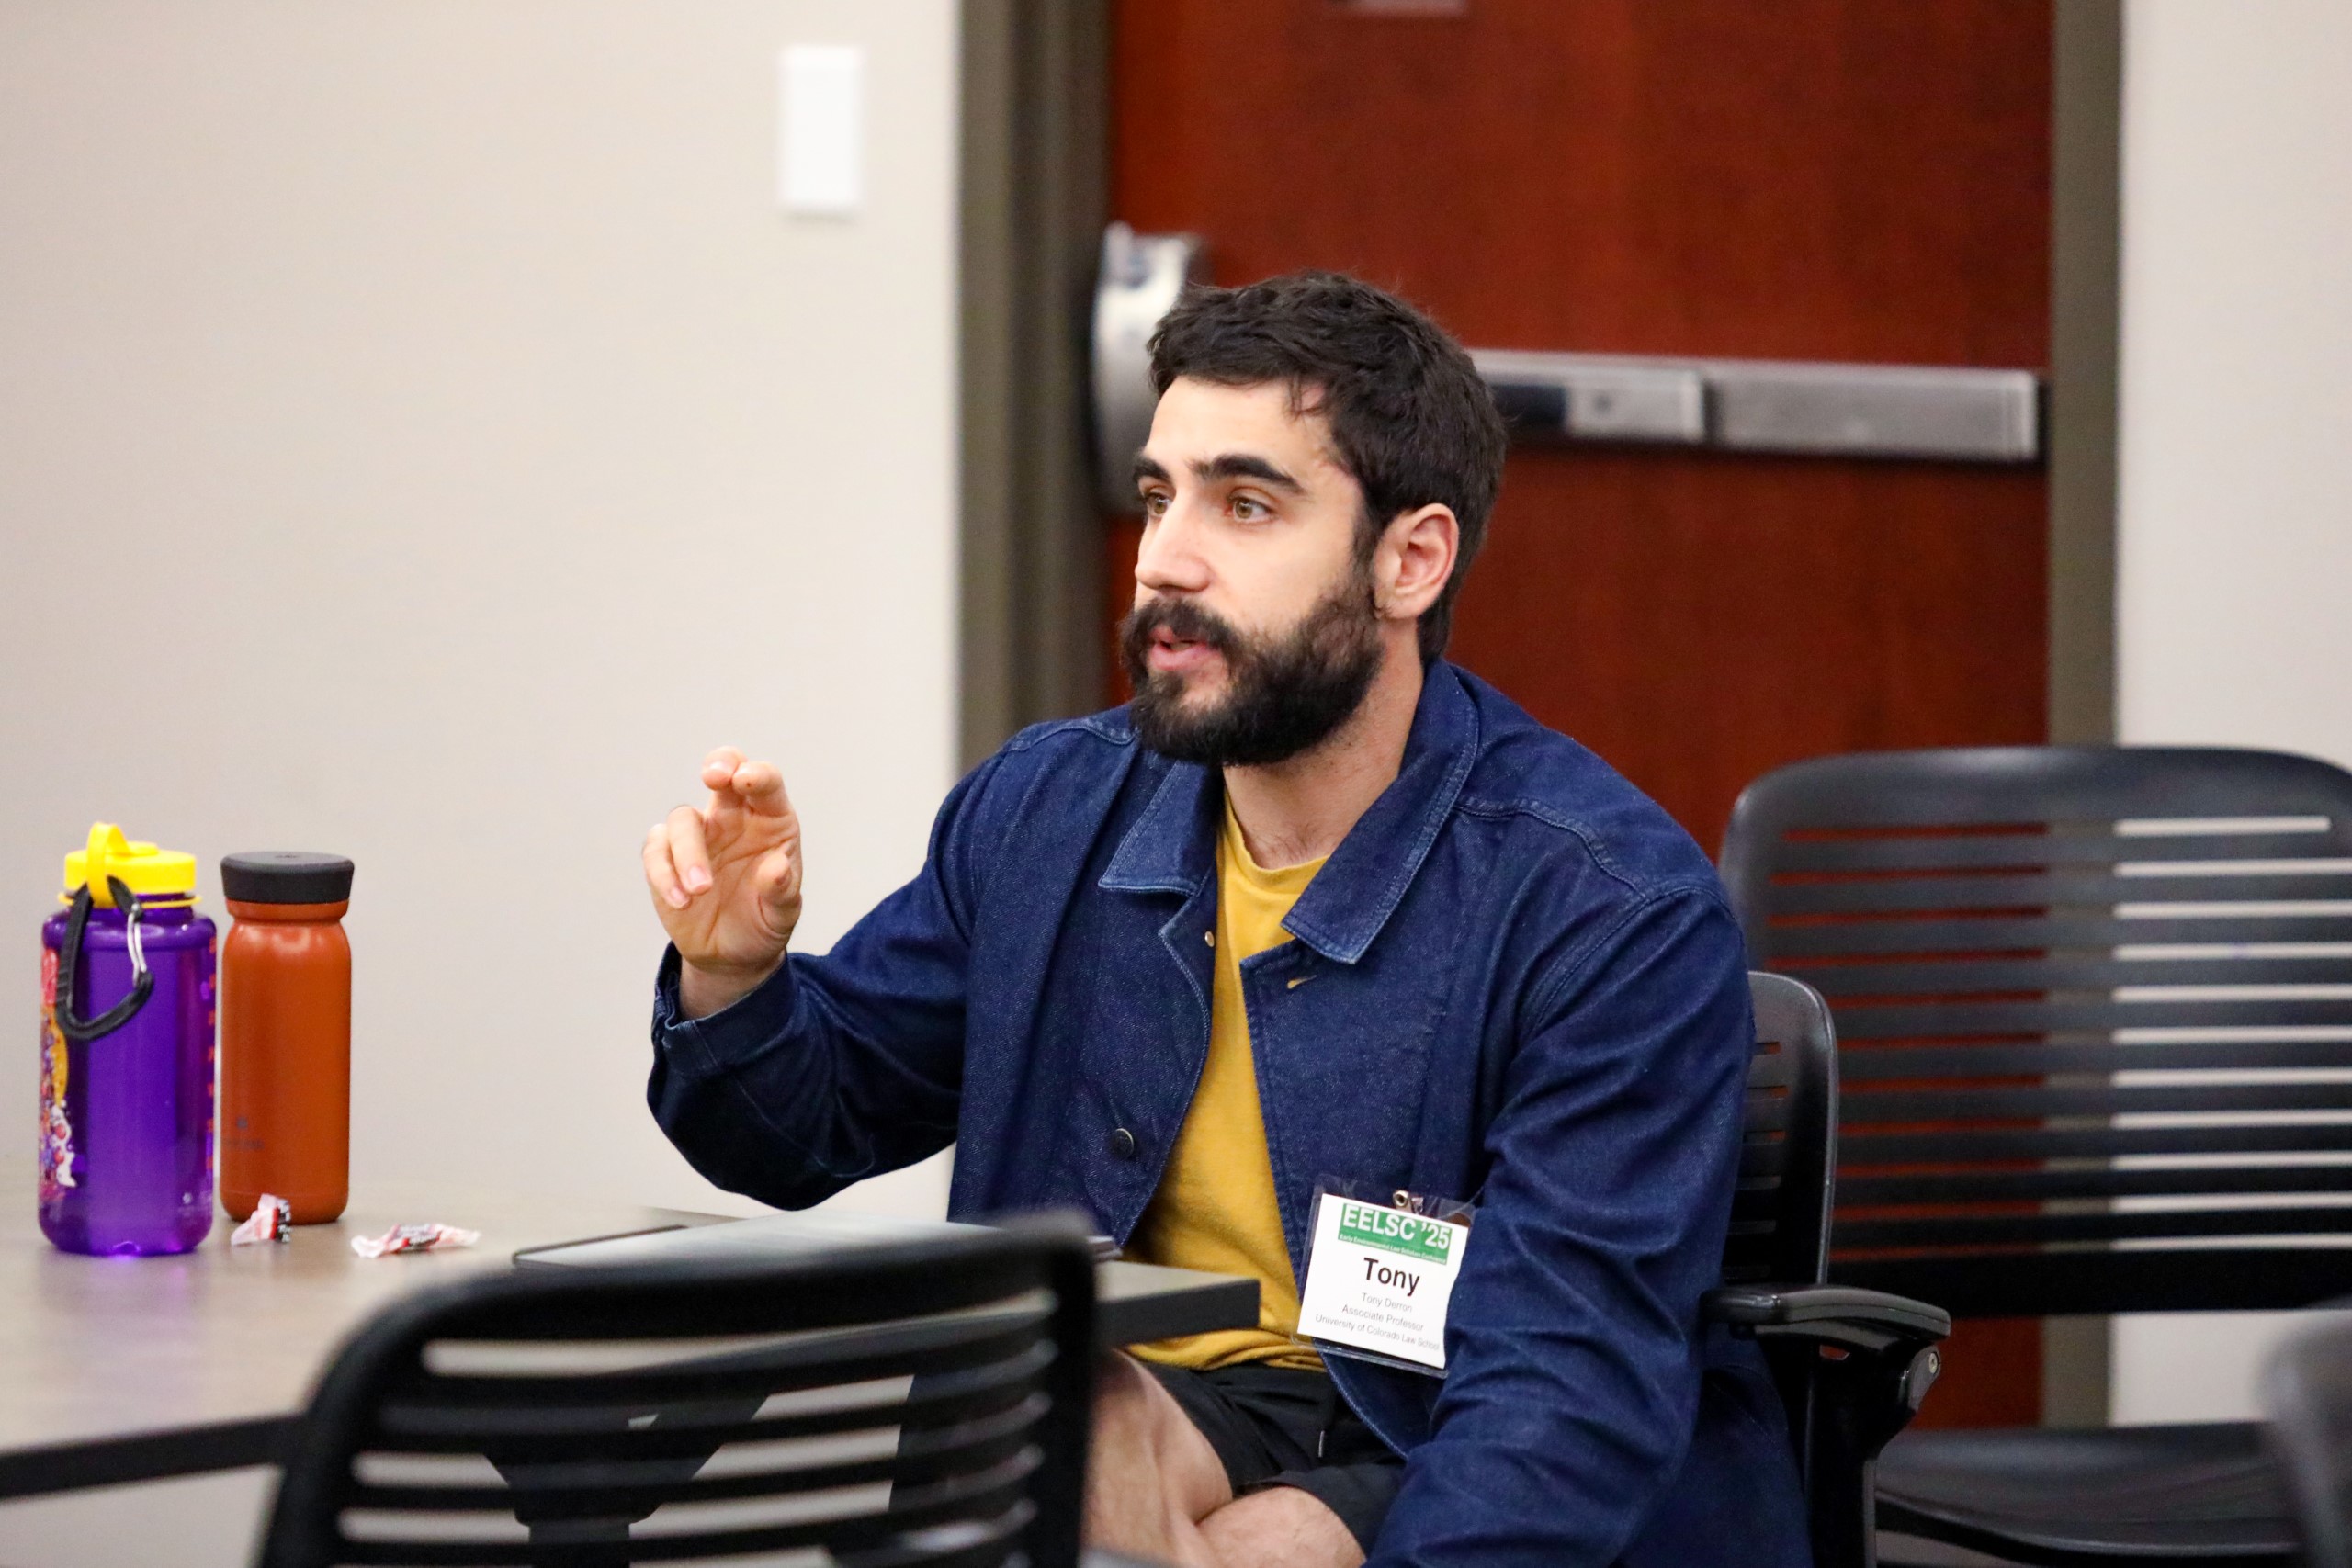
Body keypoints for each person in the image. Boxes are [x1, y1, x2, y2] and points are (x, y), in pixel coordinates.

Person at [640, 272, 1810, 1568]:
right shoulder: (1050, 807)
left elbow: (1558, 1403)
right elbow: (804, 1132)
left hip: (1430, 1418)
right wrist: (736, 982)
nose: (1166, 560)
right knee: (1047, 1417)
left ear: (1409, 559)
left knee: (1199, 1516)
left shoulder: (1607, 907)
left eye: (1245, 505)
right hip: (1140, 1406)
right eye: (1158, 495)